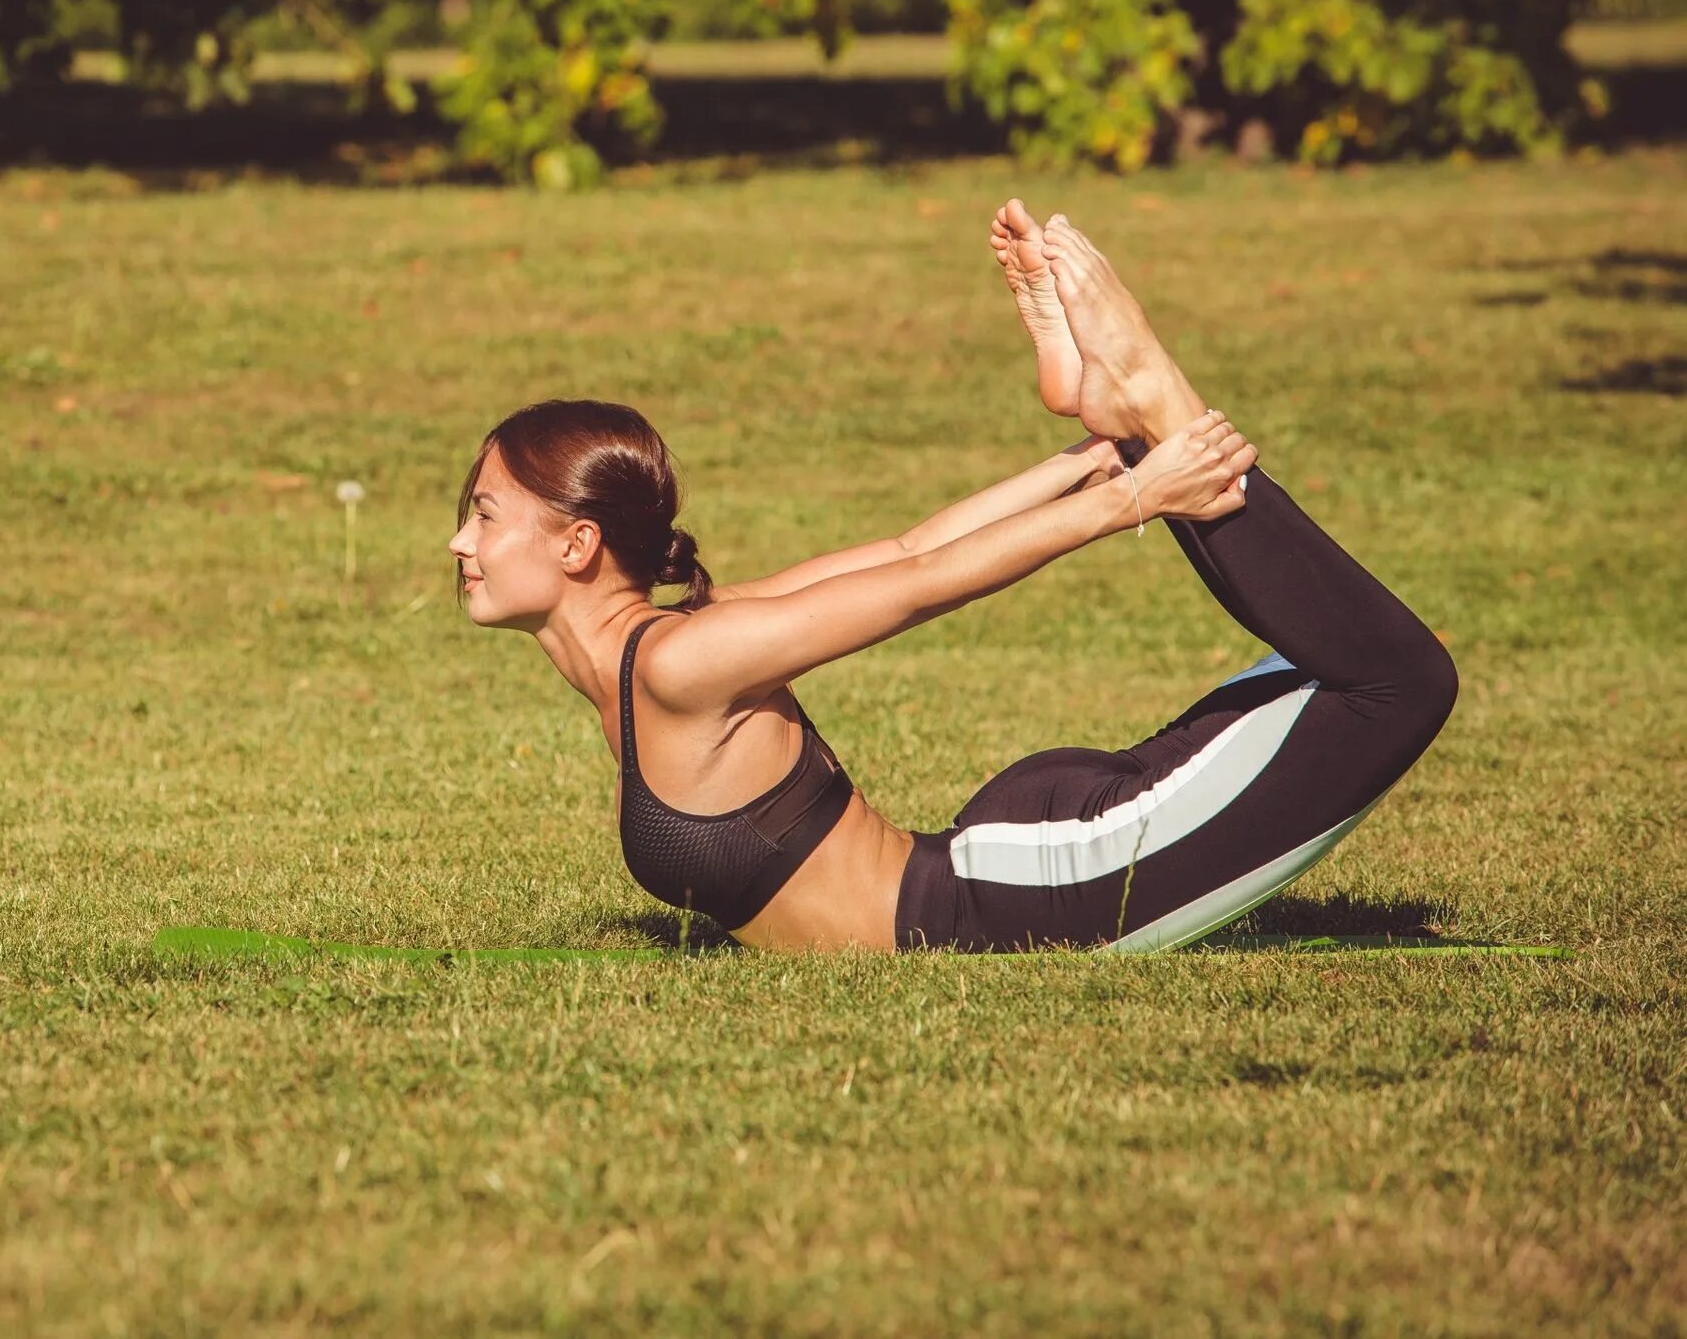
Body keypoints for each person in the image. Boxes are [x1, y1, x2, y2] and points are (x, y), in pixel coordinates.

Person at [446, 201, 1457, 953]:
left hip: (1038, 895)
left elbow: (920, 583)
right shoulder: (674, 644)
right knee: (1358, 673)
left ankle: (1157, 402)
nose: (460, 543)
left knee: (1396, 683)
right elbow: (903, 549)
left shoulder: (681, 661)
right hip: (1006, 868)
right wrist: (1083, 463)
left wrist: (1126, 498)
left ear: (577, 546)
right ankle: (1133, 420)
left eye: (484, 515)